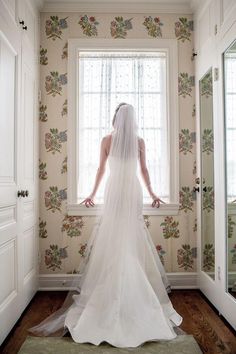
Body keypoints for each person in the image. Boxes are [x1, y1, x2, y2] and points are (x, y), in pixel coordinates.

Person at [28, 103, 184, 348]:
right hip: (132, 190)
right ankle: (132, 292)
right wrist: (152, 193)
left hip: (114, 192)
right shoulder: (139, 141)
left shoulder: (107, 140)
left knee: (114, 238)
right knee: (129, 238)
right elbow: (143, 171)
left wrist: (92, 193)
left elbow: (101, 169)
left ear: (115, 119)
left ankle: (115, 291)